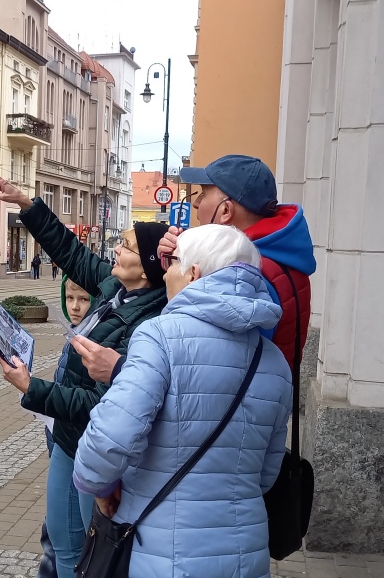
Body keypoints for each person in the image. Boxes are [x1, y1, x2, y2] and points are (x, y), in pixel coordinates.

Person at [73, 224, 293, 577]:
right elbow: (267, 473)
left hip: (163, 554)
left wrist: (100, 486)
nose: (166, 273)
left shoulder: (158, 337)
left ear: (194, 273)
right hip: (245, 555)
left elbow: (108, 440)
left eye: (172, 263)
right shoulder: (273, 360)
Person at [0, 165, 170, 578]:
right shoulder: (115, 288)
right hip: (68, 438)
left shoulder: (145, 325)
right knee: (65, 546)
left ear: (150, 268)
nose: (115, 252)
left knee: (83, 555)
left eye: (126, 247)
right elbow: (67, 250)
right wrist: (23, 202)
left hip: (95, 444)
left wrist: (33, 388)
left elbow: (100, 402)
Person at [158, 154, 315, 369]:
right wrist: (177, 260)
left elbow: (204, 361)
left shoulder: (244, 273)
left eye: (203, 195)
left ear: (225, 211)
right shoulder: (277, 253)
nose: (196, 204)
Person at [35, 276, 91, 578]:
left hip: (86, 448)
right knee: (59, 542)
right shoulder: (76, 335)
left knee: (79, 546)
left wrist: (39, 394)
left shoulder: (97, 337)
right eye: (70, 299)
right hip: (63, 441)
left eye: (83, 299)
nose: (75, 307)